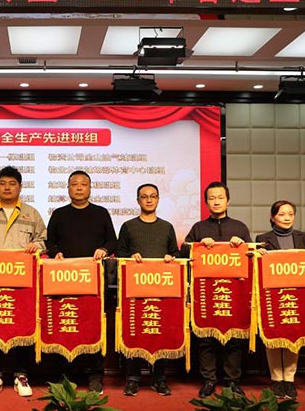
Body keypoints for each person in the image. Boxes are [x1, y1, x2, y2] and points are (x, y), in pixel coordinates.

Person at [0, 165, 46, 398]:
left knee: (23, 326)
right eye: (3, 183)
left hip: (23, 283)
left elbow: (43, 240)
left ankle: (21, 374)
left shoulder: (31, 213)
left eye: (12, 183)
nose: (7, 187)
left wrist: (37, 245)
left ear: (20, 187)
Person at [46, 170, 116, 394]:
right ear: (68, 188)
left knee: (93, 326)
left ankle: (95, 374)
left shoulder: (101, 213)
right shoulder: (59, 214)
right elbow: (49, 242)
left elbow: (112, 241)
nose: (78, 187)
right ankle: (66, 374)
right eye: (74, 184)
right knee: (66, 325)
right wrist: (55, 253)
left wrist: (104, 249)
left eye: (83, 184)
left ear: (90, 188)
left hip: (93, 280)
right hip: (65, 280)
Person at [183, 181, 251, 398]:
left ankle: (233, 381)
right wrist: (199, 245)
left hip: (234, 292)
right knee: (206, 338)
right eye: (212, 198)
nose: (216, 202)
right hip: (207, 292)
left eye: (220, 197)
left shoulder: (240, 228)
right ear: (206, 202)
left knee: (234, 338)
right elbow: (184, 252)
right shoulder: (199, 228)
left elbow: (252, 257)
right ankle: (209, 380)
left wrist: (243, 246)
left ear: (228, 201)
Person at [116, 183, 180, 397]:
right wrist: (130, 257)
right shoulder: (128, 226)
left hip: (161, 289)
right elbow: (119, 254)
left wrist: (171, 258)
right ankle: (133, 378)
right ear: (138, 201)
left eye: (153, 196)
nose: (149, 200)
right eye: (144, 196)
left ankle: (159, 378)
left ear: (158, 199)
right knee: (134, 331)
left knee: (159, 331)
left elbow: (176, 253)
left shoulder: (167, 227)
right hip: (135, 290)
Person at [255, 200, 305, 400]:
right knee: (274, 336)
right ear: (272, 217)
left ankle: (289, 379)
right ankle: (276, 379)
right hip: (273, 295)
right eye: (281, 214)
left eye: (290, 214)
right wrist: (258, 255)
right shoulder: (262, 239)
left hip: (297, 294)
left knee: (293, 334)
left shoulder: (304, 238)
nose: (287, 218)